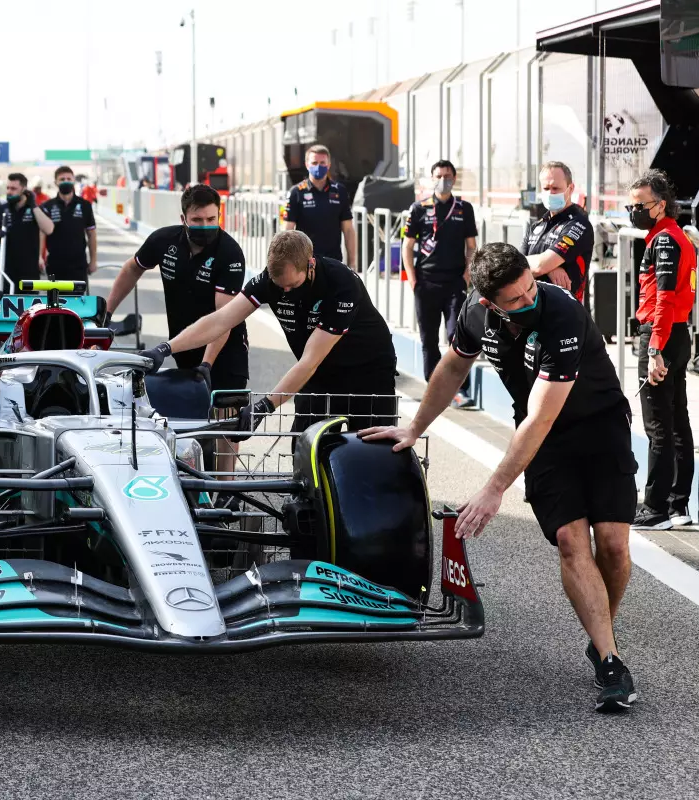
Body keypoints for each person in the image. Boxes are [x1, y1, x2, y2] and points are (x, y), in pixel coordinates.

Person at [362, 242, 639, 713]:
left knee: (612, 545)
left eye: (531, 286)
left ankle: (600, 634)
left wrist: (493, 490)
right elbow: (452, 367)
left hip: (598, 426)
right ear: (488, 301)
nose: (530, 298)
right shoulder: (475, 313)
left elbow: (540, 417)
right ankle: (611, 661)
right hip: (547, 444)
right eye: (517, 297)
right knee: (572, 541)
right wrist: (415, 424)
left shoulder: (561, 314)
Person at [136, 229, 395, 434]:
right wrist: (166, 348)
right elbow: (220, 320)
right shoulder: (269, 282)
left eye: (292, 286)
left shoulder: (342, 285)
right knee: (306, 442)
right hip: (322, 371)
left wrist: (265, 406)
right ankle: (304, 501)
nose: (286, 293)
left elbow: (309, 361)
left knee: (368, 446)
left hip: (368, 370)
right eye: (280, 287)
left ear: (311, 264)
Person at [106, 184, 248, 474]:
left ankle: (226, 486)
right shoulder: (164, 241)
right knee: (188, 418)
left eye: (211, 219)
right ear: (184, 218)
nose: (206, 226)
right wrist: (106, 313)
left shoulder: (230, 253)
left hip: (225, 349)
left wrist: (207, 364)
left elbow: (224, 318)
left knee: (225, 421)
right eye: (198, 220)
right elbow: (132, 268)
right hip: (184, 345)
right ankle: (191, 480)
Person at [627, 170, 697, 530]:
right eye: (632, 204)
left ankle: (655, 509)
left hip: (662, 336)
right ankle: (677, 505)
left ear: (661, 205)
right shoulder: (674, 236)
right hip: (676, 334)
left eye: (641, 204)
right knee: (677, 420)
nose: (634, 210)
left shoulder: (666, 240)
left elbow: (665, 298)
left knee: (659, 424)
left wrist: (654, 347)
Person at [402, 160, 477, 407]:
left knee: (457, 336)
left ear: (454, 179)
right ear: (431, 178)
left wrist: (467, 276)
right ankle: (435, 389)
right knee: (429, 340)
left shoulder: (464, 208)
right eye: (438, 175)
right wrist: (412, 279)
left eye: (447, 175)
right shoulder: (418, 208)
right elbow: (408, 246)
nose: (442, 179)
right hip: (426, 283)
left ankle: (460, 389)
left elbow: (472, 247)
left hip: (455, 283)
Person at [522, 161, 594, 301]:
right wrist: (551, 267)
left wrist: (544, 266)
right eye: (546, 188)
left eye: (556, 188)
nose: (550, 193)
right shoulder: (536, 226)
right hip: (532, 308)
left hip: (565, 311)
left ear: (570, 188)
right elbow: (515, 264)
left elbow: (538, 266)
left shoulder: (579, 224)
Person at [285, 144, 357, 266]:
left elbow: (348, 230)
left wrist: (352, 263)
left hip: (333, 262)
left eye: (322, 163)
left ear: (328, 165)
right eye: (314, 163)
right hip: (304, 264)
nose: (318, 166)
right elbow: (287, 232)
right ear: (307, 165)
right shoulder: (296, 193)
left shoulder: (339, 191)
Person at [0, 173, 54, 290]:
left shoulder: (36, 210)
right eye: (8, 188)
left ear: (24, 189)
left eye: (13, 188)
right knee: (5, 307)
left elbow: (49, 229)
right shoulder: (0, 210)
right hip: (5, 270)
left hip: (30, 272)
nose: (9, 191)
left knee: (30, 308)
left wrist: (33, 205)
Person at [40, 165, 98, 286]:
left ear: (73, 181)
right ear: (55, 182)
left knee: (78, 303)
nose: (65, 181)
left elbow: (91, 234)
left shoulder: (85, 205)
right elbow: (41, 235)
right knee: (54, 303)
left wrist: (93, 261)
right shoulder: (47, 206)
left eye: (68, 179)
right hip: (54, 265)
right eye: (62, 179)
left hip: (79, 265)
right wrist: (40, 257)